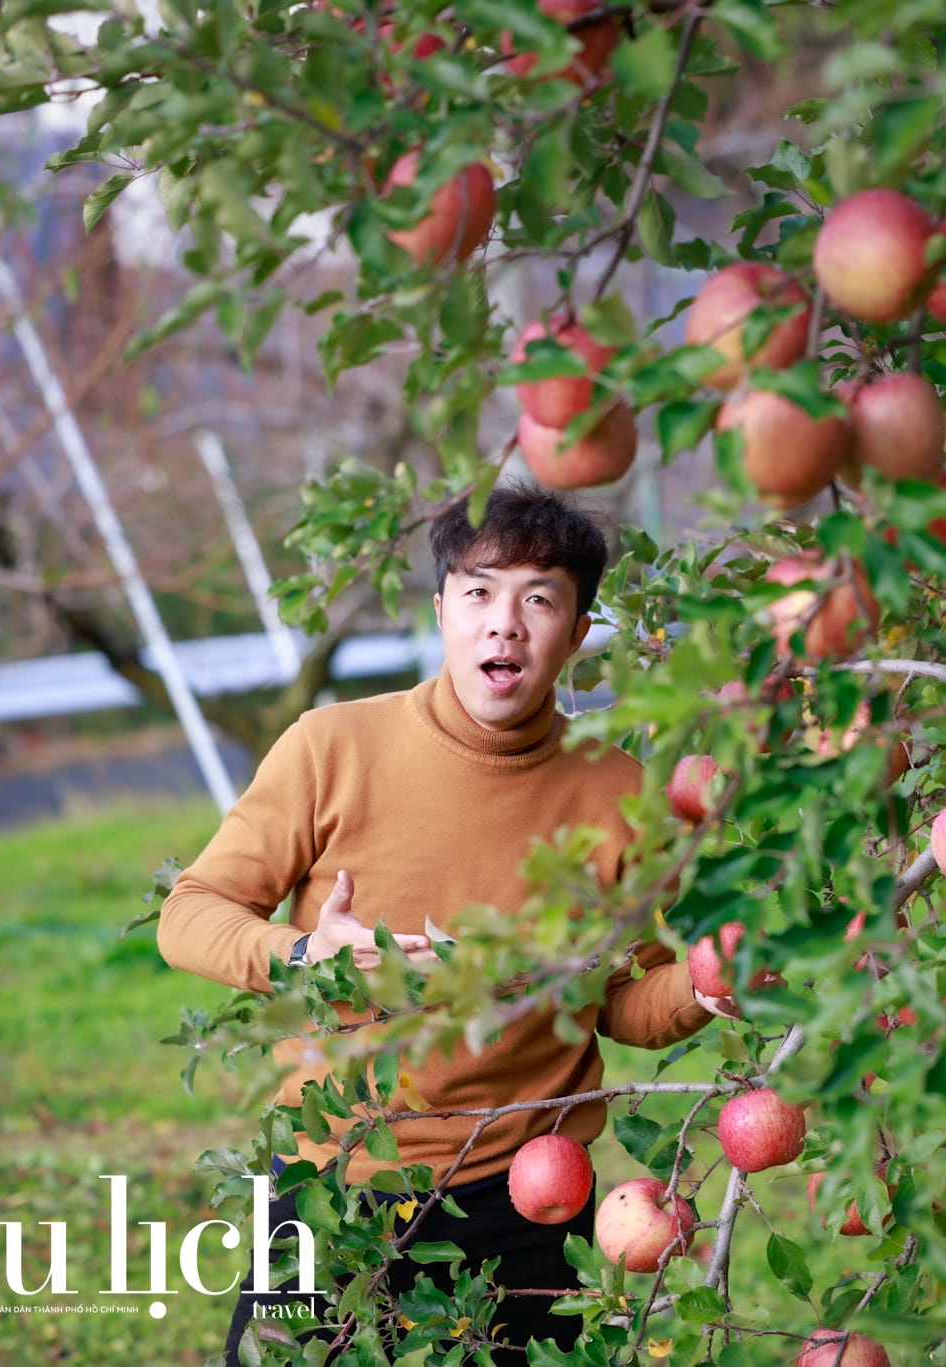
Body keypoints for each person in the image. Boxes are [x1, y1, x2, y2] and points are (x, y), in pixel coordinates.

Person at [155, 484, 733, 1366]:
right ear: (442, 611)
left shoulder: (622, 794)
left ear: (577, 634)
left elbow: (626, 1003)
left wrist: (711, 977)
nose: (505, 623)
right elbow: (190, 915)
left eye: (539, 598)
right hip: (335, 1177)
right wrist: (309, 953)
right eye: (479, 592)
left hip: (530, 1191)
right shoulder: (330, 748)